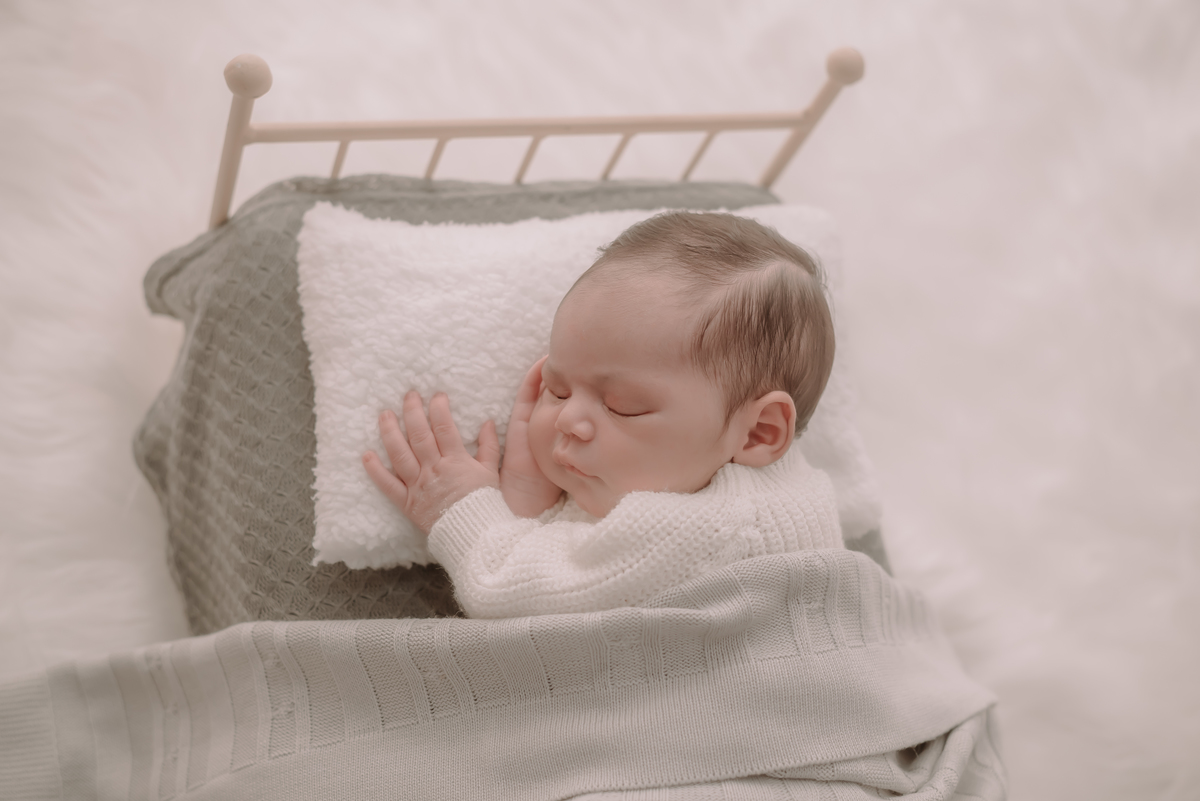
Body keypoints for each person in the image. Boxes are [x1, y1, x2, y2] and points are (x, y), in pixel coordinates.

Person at [362, 211, 843, 619]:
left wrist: (459, 509)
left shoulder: (724, 530)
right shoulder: (699, 469)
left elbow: (510, 595)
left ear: (759, 433)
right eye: (557, 389)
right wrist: (529, 494)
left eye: (622, 406)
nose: (568, 420)